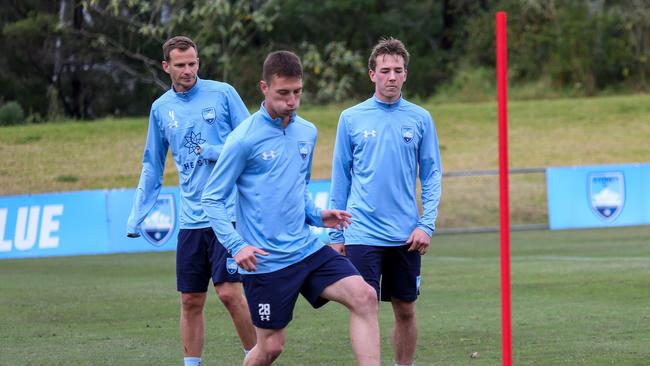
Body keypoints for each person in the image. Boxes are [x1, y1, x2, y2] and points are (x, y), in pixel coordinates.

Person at [201, 50, 380, 366]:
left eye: (297, 92)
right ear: (264, 88)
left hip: (307, 249)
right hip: (267, 262)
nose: (292, 100)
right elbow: (212, 199)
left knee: (365, 297)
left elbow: (300, 185)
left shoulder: (307, 132)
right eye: (283, 93)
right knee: (270, 347)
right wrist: (237, 245)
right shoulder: (242, 139)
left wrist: (315, 215)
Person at [126, 36, 256, 366]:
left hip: (227, 214)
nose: (188, 70)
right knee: (191, 300)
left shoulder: (223, 94)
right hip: (191, 220)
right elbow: (152, 164)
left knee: (229, 293)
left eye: (193, 63)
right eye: (180, 65)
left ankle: (257, 358)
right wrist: (137, 214)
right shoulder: (160, 109)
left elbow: (252, 143)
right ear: (166, 66)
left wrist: (213, 152)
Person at [328, 37, 443, 366]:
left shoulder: (420, 119)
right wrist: (337, 236)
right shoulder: (351, 118)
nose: (391, 77)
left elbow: (432, 174)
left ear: (406, 75)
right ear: (372, 74)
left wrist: (426, 224)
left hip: (406, 234)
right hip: (362, 232)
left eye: (398, 70)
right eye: (385, 70)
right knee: (365, 307)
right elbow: (341, 177)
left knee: (405, 308)